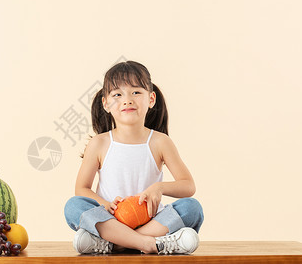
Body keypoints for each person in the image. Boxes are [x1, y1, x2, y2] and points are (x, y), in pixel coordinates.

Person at [64, 61, 204, 255]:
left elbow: (188, 185)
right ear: (105, 103)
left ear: (151, 99)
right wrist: (105, 204)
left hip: (151, 220)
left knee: (192, 208)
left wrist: (159, 188)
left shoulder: (160, 142)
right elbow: (81, 189)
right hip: (109, 219)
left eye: (136, 92)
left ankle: (115, 244)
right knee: (73, 206)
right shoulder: (99, 143)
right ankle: (148, 243)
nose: (127, 100)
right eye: (117, 94)